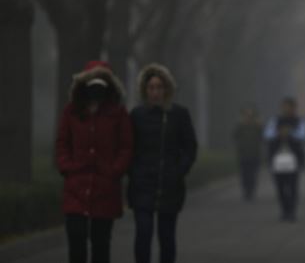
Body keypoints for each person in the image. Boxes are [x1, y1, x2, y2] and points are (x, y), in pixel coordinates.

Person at [55, 61, 133, 263]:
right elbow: (62, 143)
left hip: (105, 188)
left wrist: (115, 171)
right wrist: (67, 168)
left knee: (101, 245)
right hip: (76, 188)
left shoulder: (117, 114)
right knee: (76, 243)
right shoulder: (71, 112)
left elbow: (126, 146)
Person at [127, 63, 198, 263]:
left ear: (166, 89)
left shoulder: (179, 114)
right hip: (142, 185)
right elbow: (127, 147)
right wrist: (133, 172)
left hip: (170, 185)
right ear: (145, 90)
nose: (155, 92)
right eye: (151, 87)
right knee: (143, 233)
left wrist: (179, 171)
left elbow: (190, 147)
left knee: (167, 237)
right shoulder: (136, 115)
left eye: (159, 87)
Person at [267, 122, 305, 222]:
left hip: (292, 169)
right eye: (281, 129)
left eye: (286, 129)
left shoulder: (294, 140)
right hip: (278, 170)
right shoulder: (274, 141)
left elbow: (300, 153)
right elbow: (269, 155)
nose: (284, 131)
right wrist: (270, 166)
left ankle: (292, 212)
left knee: (292, 190)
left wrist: (302, 164)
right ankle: (284, 211)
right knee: (280, 190)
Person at [232, 104, 264, 201]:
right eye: (246, 114)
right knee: (244, 175)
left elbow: (263, 137)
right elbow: (234, 136)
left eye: (250, 114)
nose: (248, 116)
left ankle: (251, 191)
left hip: (255, 154)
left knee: (253, 175)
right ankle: (246, 191)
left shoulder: (257, 126)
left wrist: (260, 126)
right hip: (243, 154)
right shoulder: (240, 125)